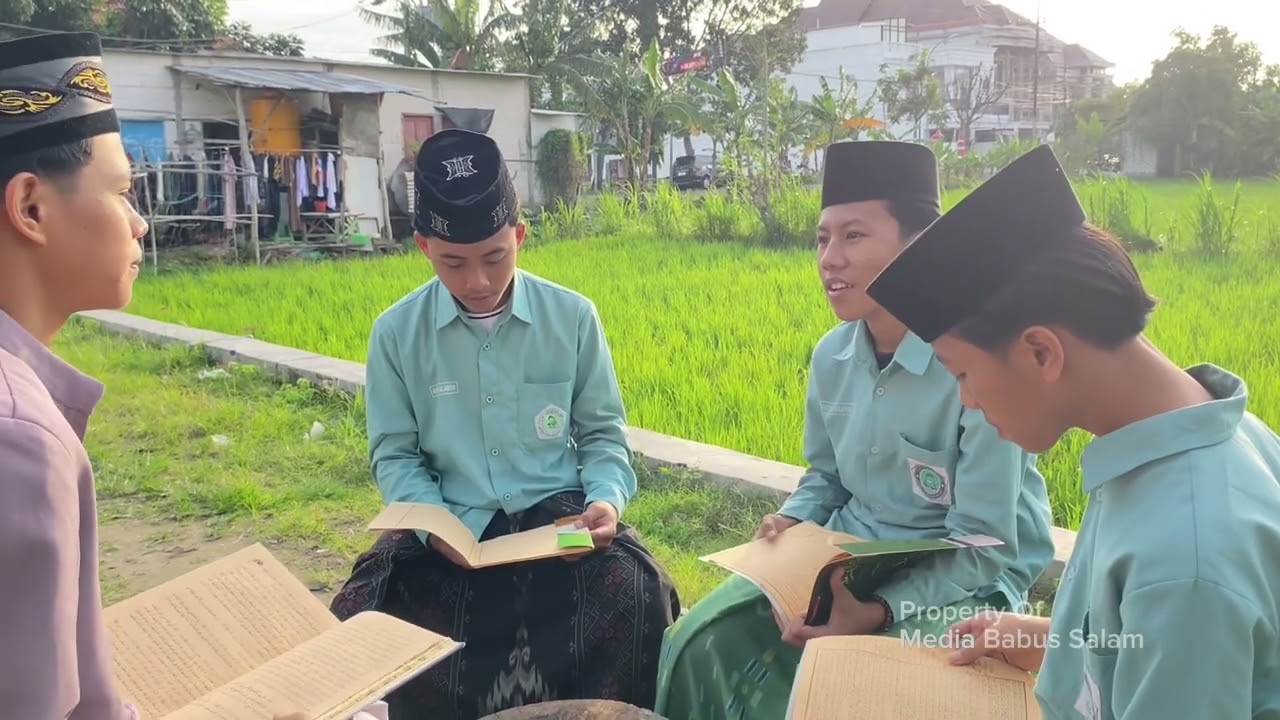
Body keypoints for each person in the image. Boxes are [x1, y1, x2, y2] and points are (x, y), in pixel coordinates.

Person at [865, 143, 1280, 718]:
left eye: (962, 372)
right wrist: (1047, 640)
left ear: (1040, 351)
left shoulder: (1184, 561)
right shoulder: (1212, 435)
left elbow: (1180, 609)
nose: (969, 400)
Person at [652, 140, 1056, 720]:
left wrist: (881, 611)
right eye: (823, 238)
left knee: (852, 694)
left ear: (919, 245)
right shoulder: (832, 357)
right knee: (698, 641)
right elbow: (827, 476)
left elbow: (985, 547)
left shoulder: (971, 366)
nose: (829, 258)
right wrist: (795, 516)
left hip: (962, 579)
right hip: (847, 556)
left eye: (854, 236)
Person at [328, 128, 681, 720]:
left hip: (558, 521)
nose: (477, 282)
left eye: (495, 257)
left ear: (519, 235)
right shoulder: (396, 333)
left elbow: (601, 434)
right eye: (453, 263)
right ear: (423, 248)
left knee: (639, 595)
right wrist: (430, 524)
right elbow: (395, 455)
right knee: (363, 615)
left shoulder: (572, 317)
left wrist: (605, 503)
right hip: (449, 526)